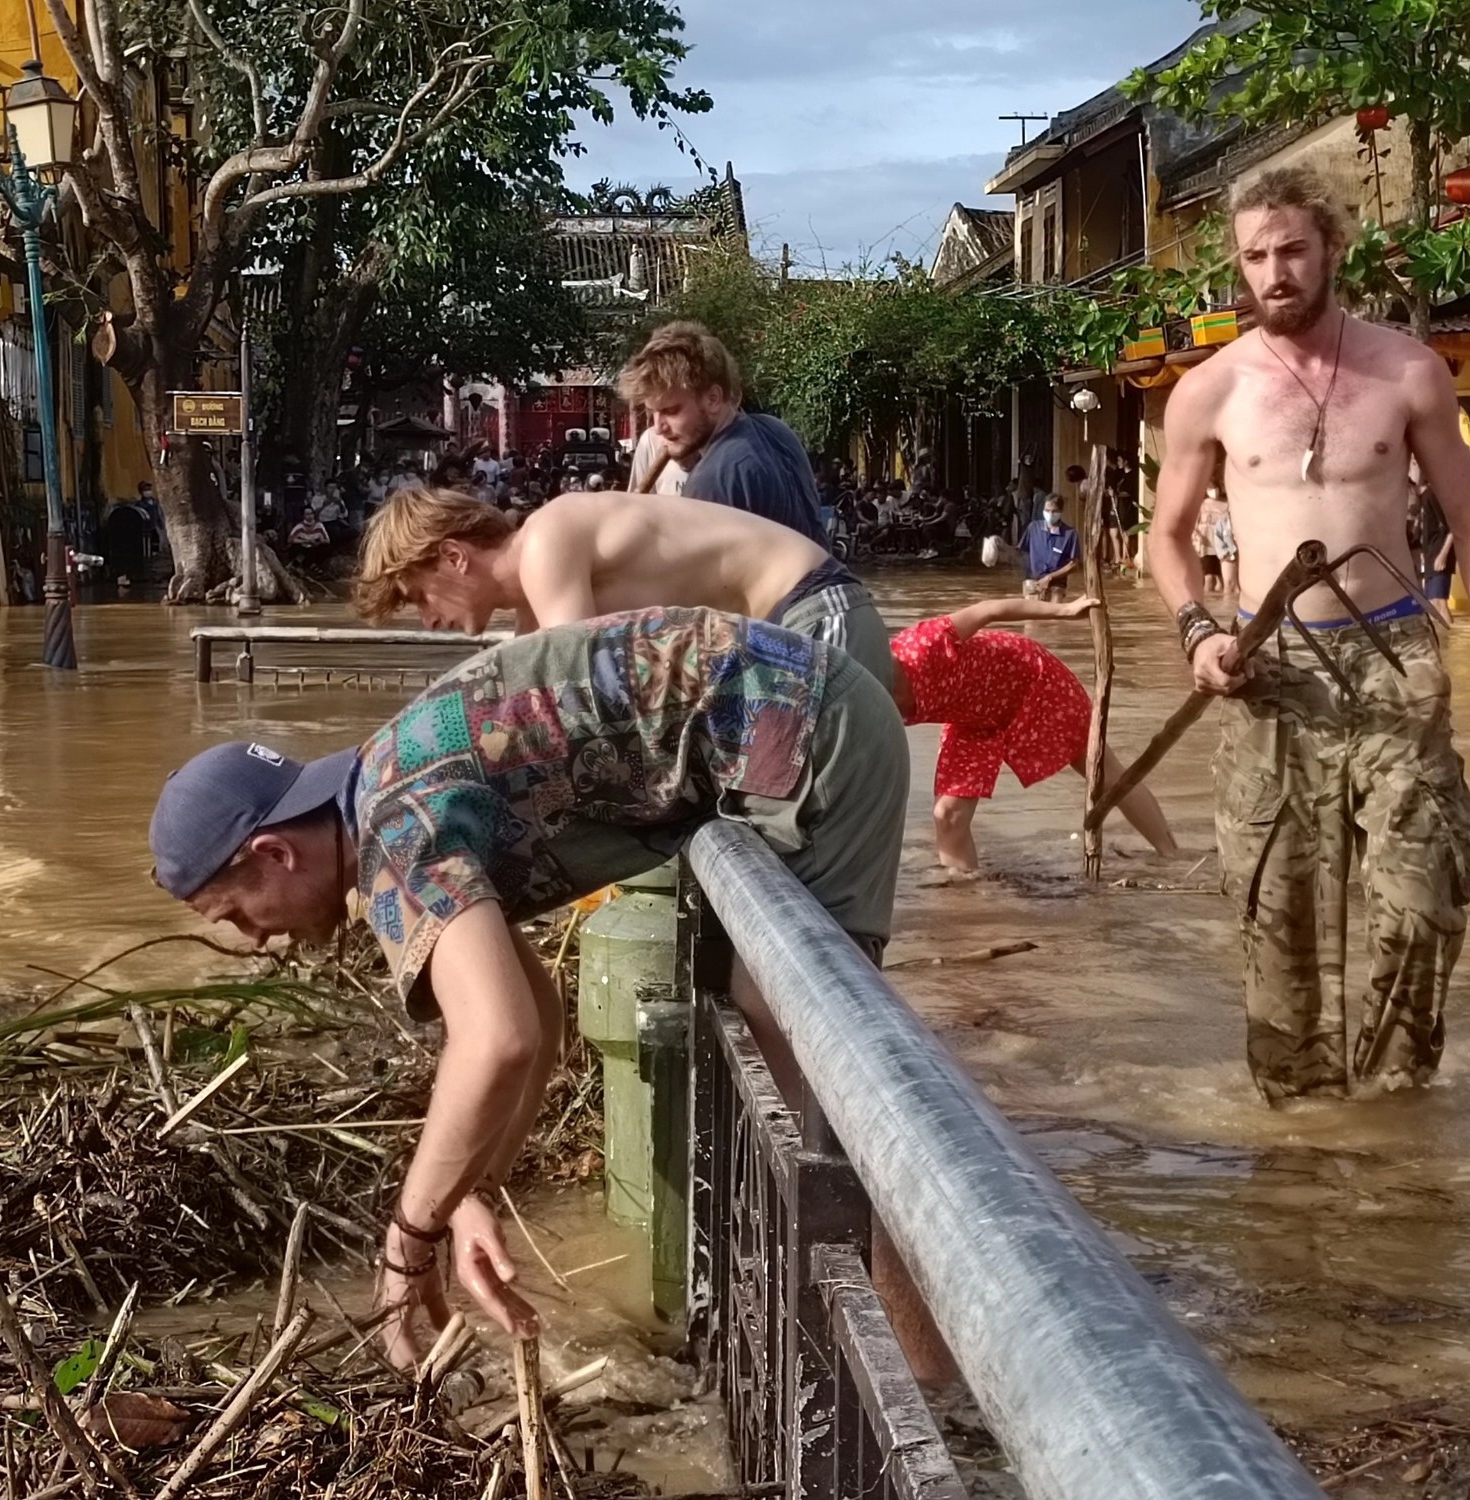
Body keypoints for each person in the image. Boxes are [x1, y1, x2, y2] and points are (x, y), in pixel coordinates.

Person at [148, 607, 909, 1368]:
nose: (251, 937)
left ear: (274, 853)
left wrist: (408, 1239)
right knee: (797, 1094)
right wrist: (472, 1188)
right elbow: (536, 1015)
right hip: (801, 709)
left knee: (813, 1105)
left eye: (233, 911)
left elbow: (497, 1040)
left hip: (808, 727)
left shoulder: (396, 836)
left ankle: (937, 1392)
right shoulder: (389, 785)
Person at [1153, 165, 1470, 1104]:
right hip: (1268, 668)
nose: (1273, 272)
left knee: (1422, 902)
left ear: (1331, 249)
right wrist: (1200, 633)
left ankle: (1398, 1119)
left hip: (1396, 657)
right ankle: (1303, 1145)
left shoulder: (1407, 370)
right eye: (1254, 257)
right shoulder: (1209, 390)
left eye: (1290, 250)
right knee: (1277, 918)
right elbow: (1165, 538)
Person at [353, 486, 894, 689]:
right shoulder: (535, 606)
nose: (427, 619)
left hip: (817, 609)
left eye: (419, 596)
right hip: (792, 628)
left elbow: (585, 688)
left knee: (809, 836)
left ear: (453, 556)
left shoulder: (547, 539)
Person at [889, 595, 1178, 873]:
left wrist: (1064, 610)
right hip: (973, 717)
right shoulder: (857, 694)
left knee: (1099, 770)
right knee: (948, 816)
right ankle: (965, 903)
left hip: (1030, 680)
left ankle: (1171, 858)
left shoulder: (922, 645)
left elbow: (990, 610)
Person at [617, 321, 829, 547]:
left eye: (671, 411)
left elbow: (702, 580)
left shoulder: (712, 480)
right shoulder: (776, 430)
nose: (659, 427)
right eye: (652, 413)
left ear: (713, 399)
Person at [1022, 494, 1080, 601]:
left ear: (1061, 511)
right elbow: (1020, 554)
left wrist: (1050, 577)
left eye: (1054, 511)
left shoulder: (1070, 534)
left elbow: (1074, 565)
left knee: (1054, 615)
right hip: (1033, 582)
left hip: (1057, 585)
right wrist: (1001, 547)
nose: (1050, 514)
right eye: (1047, 510)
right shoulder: (1033, 528)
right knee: (1030, 616)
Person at [1416, 487, 1456, 623]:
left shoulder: (1433, 494)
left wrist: (1443, 554)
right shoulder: (1421, 497)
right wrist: (1423, 552)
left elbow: (1452, 527)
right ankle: (1443, 641)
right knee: (1432, 603)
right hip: (1429, 554)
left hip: (1439, 554)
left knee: (1440, 603)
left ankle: (1450, 639)